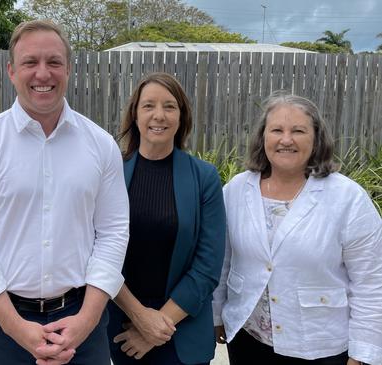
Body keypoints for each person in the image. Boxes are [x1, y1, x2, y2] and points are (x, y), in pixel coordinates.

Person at [0, 19, 129, 365]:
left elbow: (113, 233)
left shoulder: (101, 147)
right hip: (2, 325)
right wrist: (16, 327)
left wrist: (87, 320)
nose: (42, 74)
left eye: (54, 62)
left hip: (82, 322)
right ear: (12, 71)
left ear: (69, 69)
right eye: (30, 62)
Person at [213, 91, 382, 365]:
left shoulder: (347, 198)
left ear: (316, 139)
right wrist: (217, 314)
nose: (286, 139)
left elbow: (371, 281)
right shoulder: (236, 190)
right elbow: (223, 260)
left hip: (320, 345)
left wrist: (363, 352)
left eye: (298, 131)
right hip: (248, 339)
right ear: (263, 137)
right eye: (276, 129)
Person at [106, 72, 226, 365]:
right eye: (148, 106)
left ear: (181, 116)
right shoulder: (109, 173)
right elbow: (97, 254)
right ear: (135, 114)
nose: (159, 115)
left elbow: (208, 266)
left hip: (182, 331)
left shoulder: (204, 178)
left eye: (169, 106)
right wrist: (139, 316)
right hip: (122, 329)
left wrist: (155, 327)